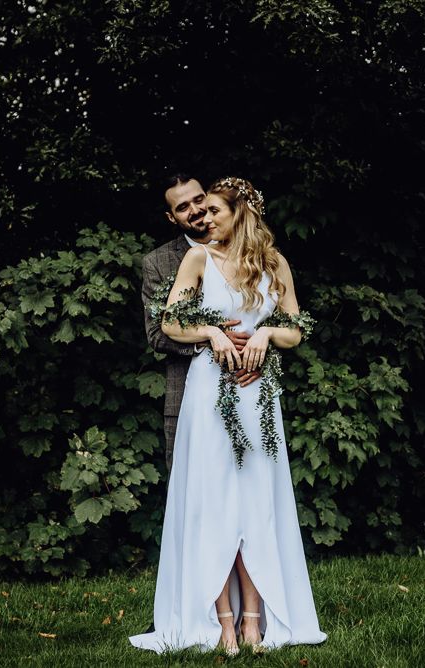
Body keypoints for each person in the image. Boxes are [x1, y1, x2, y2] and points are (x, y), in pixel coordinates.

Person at [130, 177, 328, 655]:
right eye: (198, 210)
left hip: (257, 393)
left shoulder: (274, 263)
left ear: (239, 214)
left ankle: (255, 623)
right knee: (212, 504)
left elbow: (295, 329)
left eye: (214, 209)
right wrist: (214, 333)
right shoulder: (198, 258)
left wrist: (264, 337)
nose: (206, 217)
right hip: (207, 390)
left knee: (257, 504)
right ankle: (222, 623)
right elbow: (170, 322)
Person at [141, 174, 260, 473]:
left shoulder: (253, 254)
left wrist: (260, 354)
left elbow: (274, 318)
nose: (195, 210)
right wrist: (211, 338)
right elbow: (157, 333)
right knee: (194, 492)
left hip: (249, 386)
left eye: (198, 200)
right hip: (187, 394)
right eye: (183, 207)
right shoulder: (160, 261)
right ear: (171, 217)